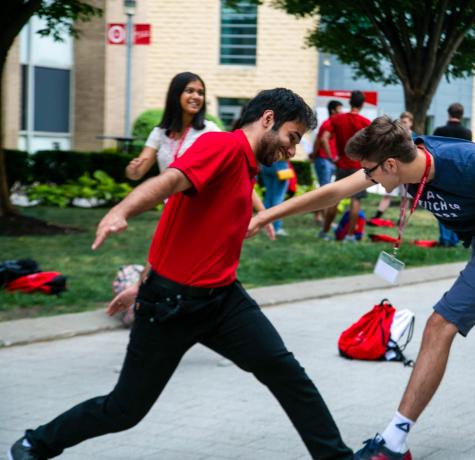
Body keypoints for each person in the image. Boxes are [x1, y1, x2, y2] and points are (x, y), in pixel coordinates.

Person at [8, 88, 353, 460]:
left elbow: (179, 225)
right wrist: (122, 210)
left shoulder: (246, 165)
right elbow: (170, 181)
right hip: (170, 306)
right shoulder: (222, 146)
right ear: (268, 119)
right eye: (292, 137)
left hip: (223, 300)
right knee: (125, 409)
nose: (292, 150)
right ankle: (34, 443)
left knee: (286, 373)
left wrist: (142, 281)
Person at [247, 116, 475, 460]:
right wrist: (265, 216)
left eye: (371, 171)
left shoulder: (470, 164)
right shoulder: (405, 160)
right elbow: (334, 191)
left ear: (391, 164)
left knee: (439, 326)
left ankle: (394, 442)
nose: (369, 179)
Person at [125, 72, 221, 181]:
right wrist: (132, 169)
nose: (196, 97)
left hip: (198, 197)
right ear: (176, 95)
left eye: (200, 93)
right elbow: (136, 174)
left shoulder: (210, 130)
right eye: (190, 91)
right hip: (168, 197)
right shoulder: (159, 132)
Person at [319, 90, 371, 241]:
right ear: (362, 104)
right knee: (356, 200)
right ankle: (349, 236)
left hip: (341, 164)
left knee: (335, 199)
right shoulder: (365, 122)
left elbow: (324, 138)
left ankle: (325, 232)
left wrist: (332, 157)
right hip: (358, 167)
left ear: (350, 102)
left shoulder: (338, 119)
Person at [433, 103, 473, 247]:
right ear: (461, 115)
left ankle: (444, 238)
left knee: (441, 205)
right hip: (459, 174)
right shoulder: (466, 133)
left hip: (440, 173)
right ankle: (455, 239)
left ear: (448, 113)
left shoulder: (439, 130)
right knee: (456, 207)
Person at [369, 112, 414, 223]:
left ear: (410, 123)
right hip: (393, 169)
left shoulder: (415, 136)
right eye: (401, 121)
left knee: (405, 197)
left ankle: (402, 219)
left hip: (407, 170)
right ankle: (377, 215)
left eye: (405, 122)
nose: (403, 124)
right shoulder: (396, 135)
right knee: (388, 193)